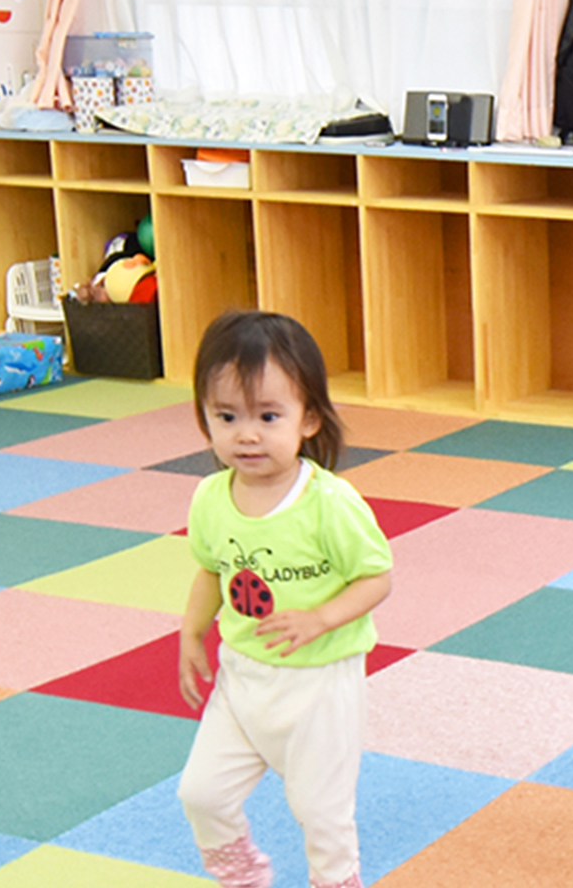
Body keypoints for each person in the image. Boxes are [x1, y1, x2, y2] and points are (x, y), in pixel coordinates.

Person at [175, 311, 393, 888]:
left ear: (308, 418)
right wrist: (191, 633)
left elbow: (376, 578)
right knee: (200, 793)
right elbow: (211, 571)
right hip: (242, 678)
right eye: (227, 416)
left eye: (269, 416)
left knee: (322, 815)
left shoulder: (330, 504)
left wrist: (320, 618)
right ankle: (242, 874)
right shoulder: (210, 499)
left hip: (319, 686)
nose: (247, 434)